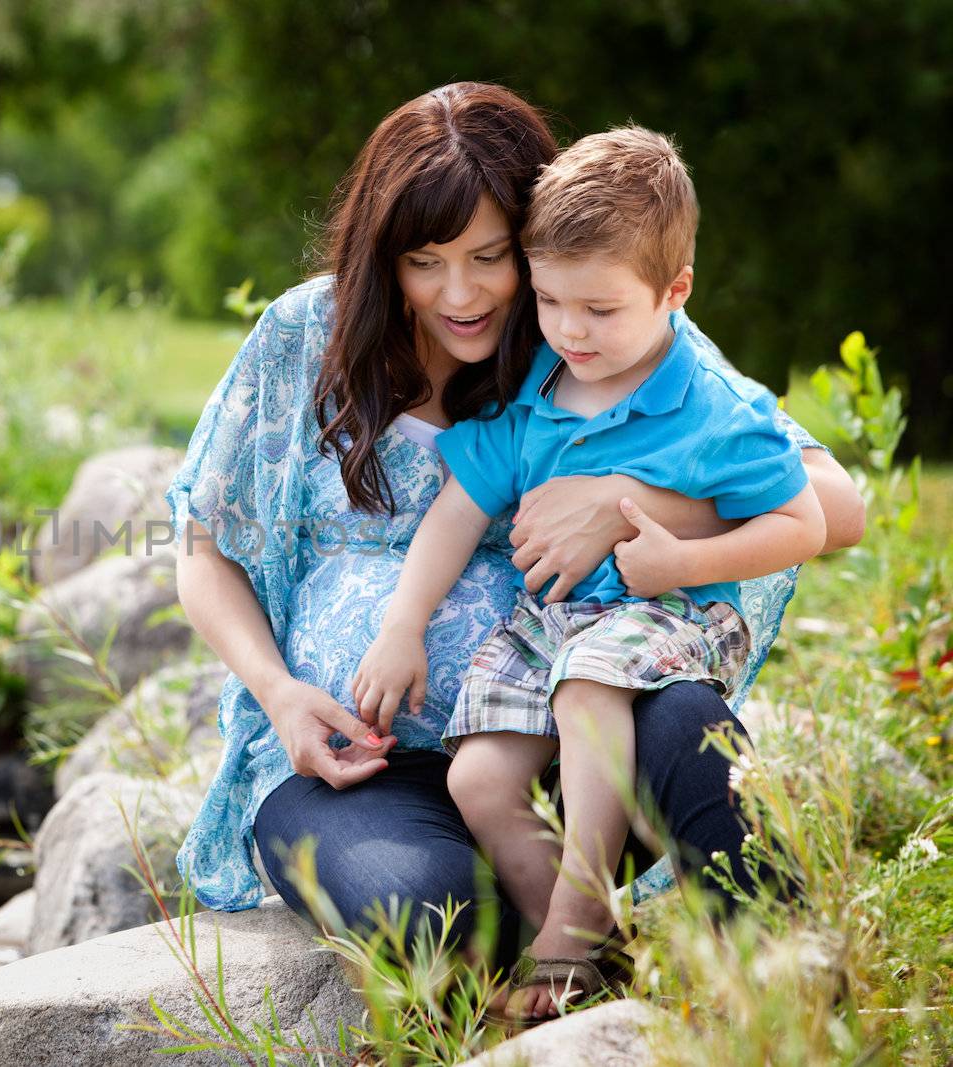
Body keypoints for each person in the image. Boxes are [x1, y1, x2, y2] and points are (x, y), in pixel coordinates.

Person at [164, 82, 865, 974]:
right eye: (424, 261)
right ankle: (573, 946)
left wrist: (618, 501)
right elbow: (203, 546)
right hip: (363, 766)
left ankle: (783, 975)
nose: (459, 293)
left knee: (689, 727)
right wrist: (278, 693)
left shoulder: (589, 324)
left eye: (490, 257)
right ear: (384, 255)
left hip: (575, 732)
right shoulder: (308, 333)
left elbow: (831, 503)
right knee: (429, 913)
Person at [351, 126, 826, 1022]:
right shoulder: (539, 384)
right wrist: (402, 623)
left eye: (600, 310)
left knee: (588, 687)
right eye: (549, 301)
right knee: (479, 778)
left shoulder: (716, 407)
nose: (570, 330)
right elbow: (459, 506)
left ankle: (565, 937)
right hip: (553, 622)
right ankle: (596, 947)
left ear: (675, 291)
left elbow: (804, 519)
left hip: (669, 610)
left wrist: (685, 557)